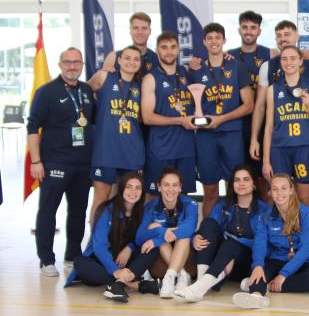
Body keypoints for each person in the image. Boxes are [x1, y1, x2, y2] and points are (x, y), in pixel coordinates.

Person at [27, 47, 95, 276]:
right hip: (55, 162)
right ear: (60, 65)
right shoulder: (46, 92)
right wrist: (36, 161)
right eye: (67, 62)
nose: (72, 66)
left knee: (78, 211)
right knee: (48, 211)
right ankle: (46, 260)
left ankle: (72, 255)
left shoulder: (86, 91)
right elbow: (32, 127)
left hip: (82, 164)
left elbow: (90, 124)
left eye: (76, 62)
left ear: (82, 65)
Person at [175, 165, 268, 302]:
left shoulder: (264, 210)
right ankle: (201, 282)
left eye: (246, 179)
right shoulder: (224, 204)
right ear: (233, 184)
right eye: (237, 180)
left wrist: (237, 242)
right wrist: (194, 238)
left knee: (231, 244)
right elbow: (209, 229)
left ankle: (199, 288)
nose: (241, 183)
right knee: (208, 223)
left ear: (253, 184)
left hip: (248, 262)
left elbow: (261, 242)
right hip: (223, 259)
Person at [188, 23, 254, 218]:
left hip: (231, 135)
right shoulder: (196, 70)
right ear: (204, 42)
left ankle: (236, 231)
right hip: (205, 137)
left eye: (218, 38)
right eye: (210, 38)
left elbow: (249, 105)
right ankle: (209, 233)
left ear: (224, 41)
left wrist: (222, 119)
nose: (214, 42)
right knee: (210, 192)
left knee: (236, 189)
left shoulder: (236, 66)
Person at [232, 173, 309, 309]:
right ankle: (256, 296)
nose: (279, 193)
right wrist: (258, 265)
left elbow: (306, 249)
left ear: (291, 190)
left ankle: (270, 286)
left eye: (283, 188)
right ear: (270, 192)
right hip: (278, 260)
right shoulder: (265, 216)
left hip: (305, 262)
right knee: (259, 272)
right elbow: (260, 244)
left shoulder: (306, 213)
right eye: (275, 189)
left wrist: (283, 275)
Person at [65, 172, 160, 302]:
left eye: (138, 188)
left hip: (123, 261)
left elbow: (139, 239)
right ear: (121, 189)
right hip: (100, 263)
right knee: (79, 262)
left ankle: (117, 285)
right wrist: (116, 271)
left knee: (152, 247)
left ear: (142, 192)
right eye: (129, 187)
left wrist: (129, 248)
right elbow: (99, 247)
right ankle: (132, 284)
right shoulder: (106, 210)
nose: (133, 191)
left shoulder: (142, 212)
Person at [250, 21, 309, 177]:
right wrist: (254, 138)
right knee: (277, 189)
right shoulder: (267, 66)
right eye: (278, 35)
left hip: (305, 141)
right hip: (279, 141)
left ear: (297, 37)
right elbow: (260, 107)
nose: (282, 39)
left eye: (287, 34)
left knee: (305, 192)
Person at [88, 45, 145, 222]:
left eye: (136, 59)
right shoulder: (104, 77)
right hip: (105, 151)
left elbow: (143, 117)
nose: (131, 62)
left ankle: (122, 241)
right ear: (119, 60)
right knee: (101, 198)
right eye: (127, 58)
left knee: (128, 200)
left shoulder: (141, 86)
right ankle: (95, 244)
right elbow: (84, 94)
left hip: (131, 152)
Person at [263, 45, 309, 207]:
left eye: (292, 58)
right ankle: (279, 233)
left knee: (305, 199)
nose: (288, 62)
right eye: (284, 59)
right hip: (279, 150)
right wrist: (265, 161)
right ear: (280, 62)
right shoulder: (272, 90)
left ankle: (307, 233)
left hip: (304, 148)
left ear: (300, 61)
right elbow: (269, 127)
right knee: (278, 199)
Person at [141, 32, 196, 199]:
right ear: (157, 50)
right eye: (164, 47)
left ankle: (181, 226)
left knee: (183, 197)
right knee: (155, 197)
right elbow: (147, 117)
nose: (169, 52)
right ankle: (154, 226)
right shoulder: (150, 78)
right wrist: (180, 120)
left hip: (186, 148)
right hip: (161, 148)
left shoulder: (186, 72)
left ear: (179, 49)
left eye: (173, 47)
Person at [228, 11, 275, 198]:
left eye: (253, 28)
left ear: (259, 31)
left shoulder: (271, 54)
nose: (249, 31)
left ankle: (264, 221)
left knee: (264, 177)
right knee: (235, 176)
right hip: (236, 124)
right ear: (239, 30)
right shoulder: (228, 56)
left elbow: (293, 59)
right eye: (245, 27)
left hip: (263, 123)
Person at [136, 167, 199, 298]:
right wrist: (160, 230)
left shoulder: (190, 204)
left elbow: (189, 228)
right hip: (161, 261)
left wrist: (157, 238)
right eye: (166, 185)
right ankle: (180, 274)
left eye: (175, 185)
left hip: (186, 257)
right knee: (157, 227)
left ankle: (170, 278)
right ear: (159, 187)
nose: (171, 190)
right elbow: (139, 237)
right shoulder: (150, 207)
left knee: (183, 236)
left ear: (180, 187)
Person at [98, 12, 159, 78]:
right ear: (130, 30)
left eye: (144, 28)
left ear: (150, 31)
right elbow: (104, 84)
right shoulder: (113, 57)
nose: (140, 32)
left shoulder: (157, 59)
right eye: (136, 28)